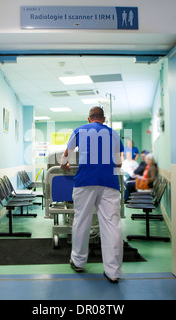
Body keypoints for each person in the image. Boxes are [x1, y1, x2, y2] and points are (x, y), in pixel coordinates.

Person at [60, 106, 124, 283]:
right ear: (103, 119)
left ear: (89, 119)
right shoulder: (114, 134)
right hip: (109, 184)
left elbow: (65, 157)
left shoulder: (80, 130)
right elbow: (119, 164)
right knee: (112, 225)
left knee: (82, 221)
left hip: (84, 182)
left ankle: (78, 262)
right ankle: (113, 272)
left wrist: (64, 165)